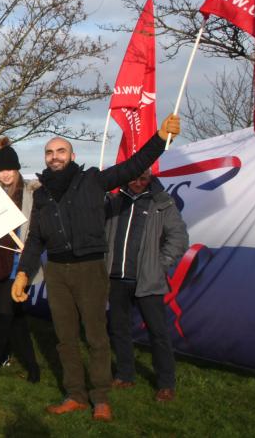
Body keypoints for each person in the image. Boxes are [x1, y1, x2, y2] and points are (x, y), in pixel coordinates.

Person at [11, 114, 181, 422]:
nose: (54, 157)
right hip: (57, 273)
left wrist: (160, 138)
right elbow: (35, 237)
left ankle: (100, 396)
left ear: (72, 156)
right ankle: (75, 394)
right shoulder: (41, 194)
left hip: (90, 269)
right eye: (49, 153)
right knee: (65, 338)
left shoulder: (92, 180)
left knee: (96, 337)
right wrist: (24, 271)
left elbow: (132, 165)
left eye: (60, 151)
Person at [105, 169, 188, 402]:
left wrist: (160, 264)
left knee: (158, 333)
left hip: (148, 281)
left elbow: (179, 238)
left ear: (150, 179)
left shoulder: (162, 203)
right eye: (133, 177)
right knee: (118, 329)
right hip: (116, 278)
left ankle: (166, 383)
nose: (138, 182)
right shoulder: (114, 202)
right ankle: (125, 374)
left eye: (143, 178)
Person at [0, 139, 41, 383]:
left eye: (10, 169)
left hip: (21, 265)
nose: (6, 174)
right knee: (16, 320)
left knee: (3, 315)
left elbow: (36, 229)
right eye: (1, 169)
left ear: (17, 169)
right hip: (0, 265)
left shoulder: (31, 193)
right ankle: (33, 367)